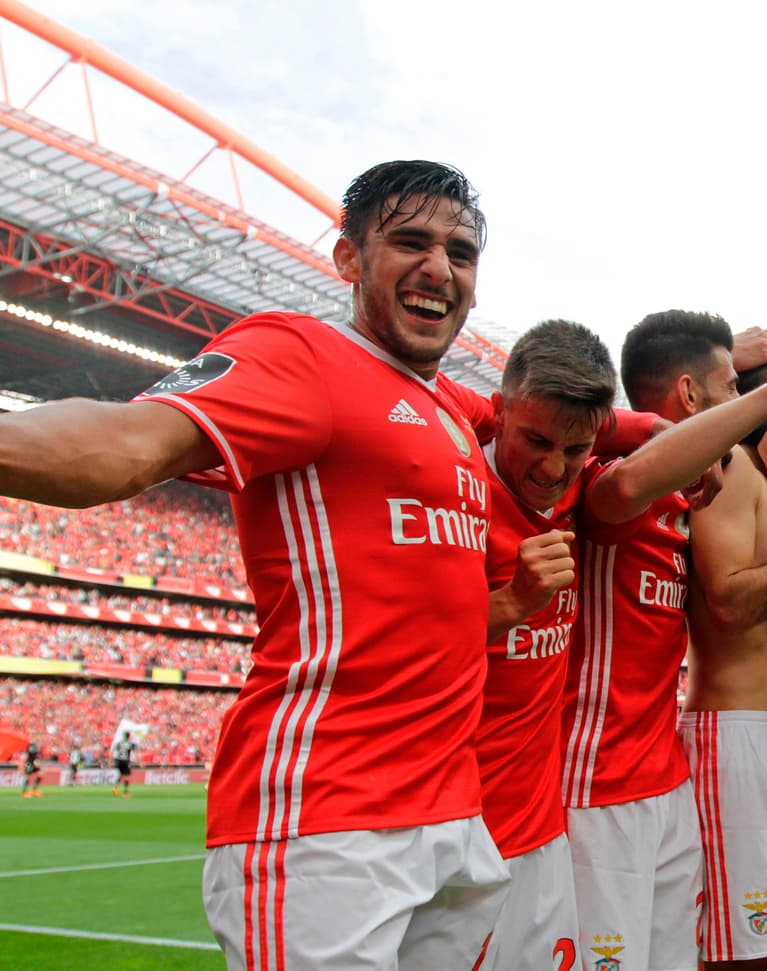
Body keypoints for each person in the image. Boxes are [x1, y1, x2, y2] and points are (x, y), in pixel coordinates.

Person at [0, 160, 510, 968]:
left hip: (452, 813)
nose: (439, 268)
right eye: (410, 242)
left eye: (461, 252)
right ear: (347, 259)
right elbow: (130, 444)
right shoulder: (302, 354)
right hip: (328, 819)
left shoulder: (449, 402)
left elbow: (546, 409)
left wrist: (697, 419)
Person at [561, 311, 767, 971]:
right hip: (733, 738)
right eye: (733, 386)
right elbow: (731, 603)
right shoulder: (718, 467)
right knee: (742, 959)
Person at [112, 730, 137, 797]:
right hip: (125, 761)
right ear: (129, 736)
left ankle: (115, 788)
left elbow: (113, 750)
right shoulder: (130, 744)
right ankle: (125, 793)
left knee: (121, 775)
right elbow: (135, 750)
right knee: (127, 777)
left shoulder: (119, 743)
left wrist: (111, 761)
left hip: (118, 760)